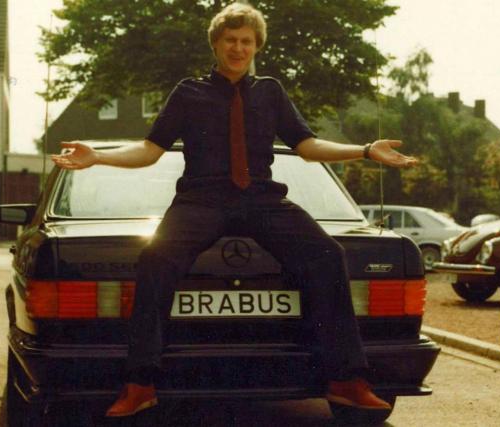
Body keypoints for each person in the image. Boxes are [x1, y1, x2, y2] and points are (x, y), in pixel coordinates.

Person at [51, 2, 417, 418]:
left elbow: (308, 146)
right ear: (216, 44)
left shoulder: (271, 92)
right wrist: (98, 156)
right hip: (201, 200)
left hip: (261, 198)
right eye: (230, 40)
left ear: (257, 46)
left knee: (328, 254)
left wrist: (366, 150)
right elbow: (150, 150)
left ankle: (345, 380)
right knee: (155, 258)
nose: (238, 48)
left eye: (246, 41)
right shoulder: (188, 92)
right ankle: (141, 383)